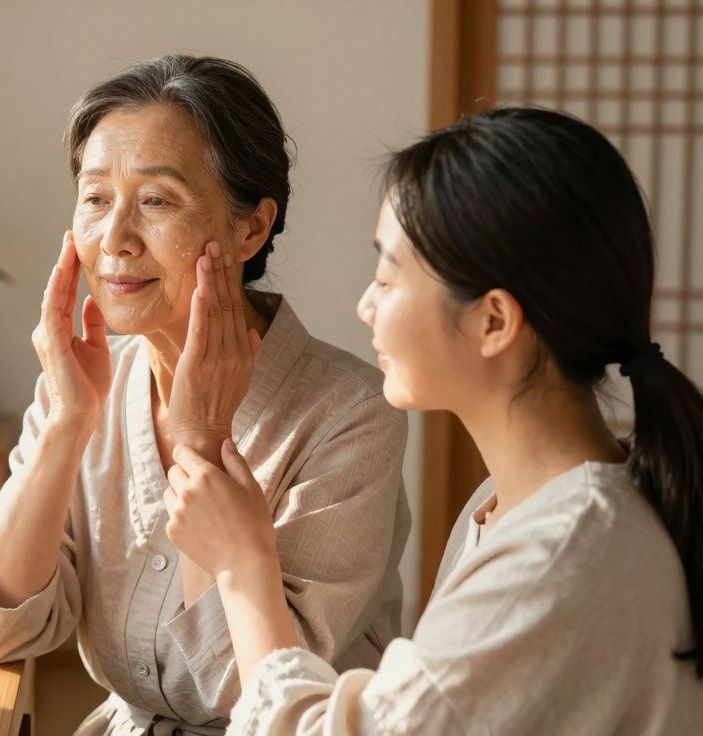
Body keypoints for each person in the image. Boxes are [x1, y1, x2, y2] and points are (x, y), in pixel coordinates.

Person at [164, 107, 703, 734]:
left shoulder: (559, 553)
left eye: (388, 279)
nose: (365, 305)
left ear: (493, 321)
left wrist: (244, 564)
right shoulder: (512, 505)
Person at [0, 54, 410, 734]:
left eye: (157, 201)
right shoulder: (86, 383)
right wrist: (66, 424)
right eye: (97, 199)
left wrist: (203, 442)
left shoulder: (350, 413)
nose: (115, 241)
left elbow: (248, 694)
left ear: (251, 227)